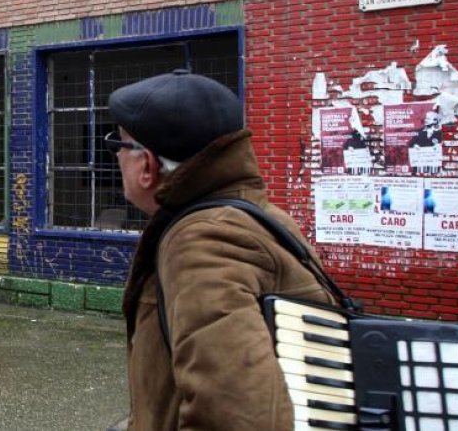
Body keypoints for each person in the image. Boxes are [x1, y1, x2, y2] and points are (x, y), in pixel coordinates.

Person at [107, 69, 334, 431]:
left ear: (146, 165)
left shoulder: (202, 242)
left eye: (118, 145)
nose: (116, 158)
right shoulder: (263, 216)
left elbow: (240, 418)